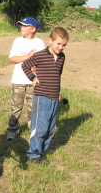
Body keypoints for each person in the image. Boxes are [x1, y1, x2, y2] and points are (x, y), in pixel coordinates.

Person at [21, 27, 69, 165]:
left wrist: (58, 93)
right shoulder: (40, 55)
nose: (61, 47)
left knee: (50, 128)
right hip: (42, 95)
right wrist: (33, 78)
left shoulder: (61, 57)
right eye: (58, 44)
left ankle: (41, 152)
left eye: (64, 45)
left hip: (54, 97)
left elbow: (57, 76)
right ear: (50, 40)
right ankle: (33, 154)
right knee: (40, 127)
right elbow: (25, 65)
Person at [6, 17, 45, 141]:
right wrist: (28, 57)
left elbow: (42, 62)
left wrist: (36, 65)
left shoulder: (39, 43)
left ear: (33, 29)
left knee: (33, 108)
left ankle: (33, 130)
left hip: (33, 81)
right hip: (18, 80)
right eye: (21, 25)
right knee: (15, 107)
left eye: (25, 26)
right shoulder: (17, 41)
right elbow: (12, 59)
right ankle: (12, 130)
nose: (22, 27)